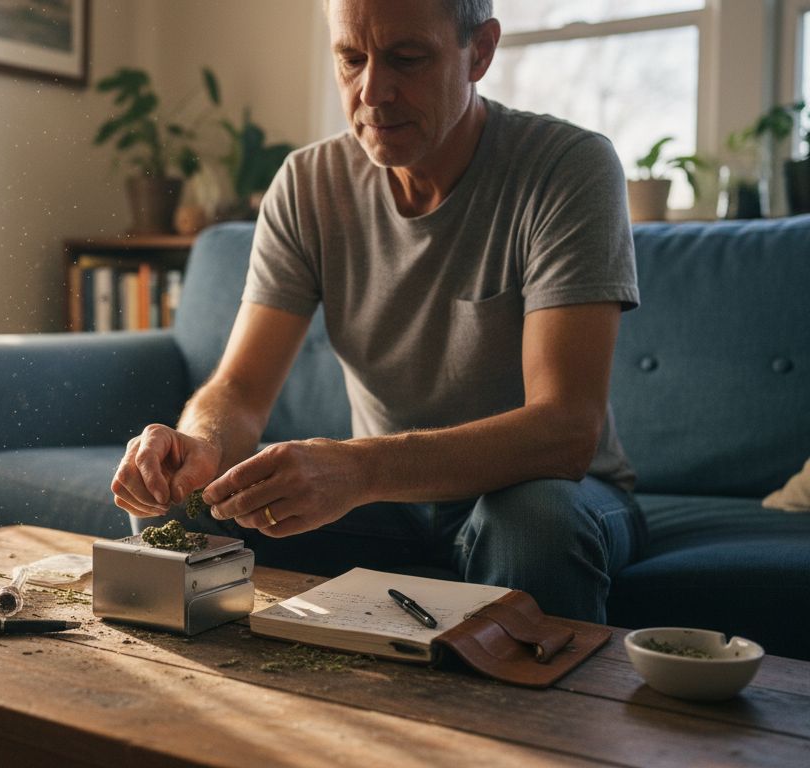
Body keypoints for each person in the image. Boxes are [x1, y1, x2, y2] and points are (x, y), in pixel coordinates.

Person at [110, 0, 647, 624]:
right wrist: (198, 446)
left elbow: (566, 430)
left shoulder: (567, 167)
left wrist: (360, 469)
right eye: (350, 58)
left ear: (480, 52)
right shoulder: (307, 183)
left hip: (547, 491)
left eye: (407, 59)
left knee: (533, 525)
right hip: (387, 497)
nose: (373, 91)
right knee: (184, 507)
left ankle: (528, 725)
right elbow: (240, 386)